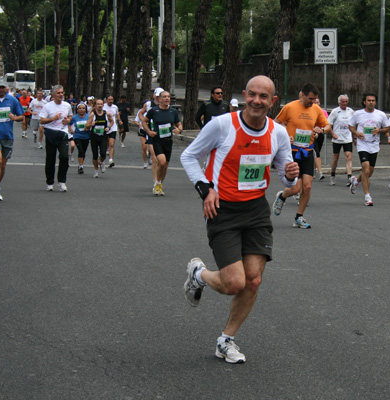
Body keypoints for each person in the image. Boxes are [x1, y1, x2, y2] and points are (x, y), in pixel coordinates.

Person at [180, 75, 299, 364]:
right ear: (244, 94)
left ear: (273, 101)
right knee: (235, 283)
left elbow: (283, 173)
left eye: (264, 97)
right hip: (223, 209)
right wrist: (205, 189)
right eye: (252, 95)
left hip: (256, 210)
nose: (257, 101)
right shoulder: (223, 125)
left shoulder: (278, 133)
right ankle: (199, 274)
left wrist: (290, 174)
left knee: (254, 281)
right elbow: (188, 155)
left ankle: (226, 340)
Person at [272, 83, 331, 228]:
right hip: (292, 152)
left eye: (315, 99)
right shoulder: (290, 107)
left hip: (308, 151)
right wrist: (286, 133)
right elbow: (276, 123)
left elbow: (328, 126)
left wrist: (321, 130)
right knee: (296, 188)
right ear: (303, 95)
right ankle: (282, 196)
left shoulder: (316, 109)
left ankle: (299, 217)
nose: (313, 102)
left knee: (308, 186)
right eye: (311, 99)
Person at [348, 93, 390, 206]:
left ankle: (356, 181)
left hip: (374, 145)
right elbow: (350, 125)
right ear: (364, 102)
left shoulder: (380, 114)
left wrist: (380, 131)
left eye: (373, 100)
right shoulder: (358, 114)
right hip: (362, 144)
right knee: (365, 169)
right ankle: (367, 197)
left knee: (369, 172)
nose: (371, 102)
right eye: (369, 100)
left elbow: (388, 127)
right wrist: (356, 133)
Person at [140, 90, 182, 196]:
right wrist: (149, 132)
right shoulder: (154, 111)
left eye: (168, 97)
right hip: (157, 140)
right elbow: (144, 121)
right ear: (160, 99)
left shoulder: (173, 111)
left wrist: (179, 129)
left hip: (168, 140)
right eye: (165, 97)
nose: (167, 98)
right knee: (161, 162)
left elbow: (179, 124)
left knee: (166, 165)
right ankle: (157, 183)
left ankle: (159, 184)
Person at [39, 85, 73, 192]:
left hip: (63, 133)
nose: (61, 95)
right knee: (50, 159)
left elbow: (71, 116)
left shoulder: (67, 105)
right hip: (51, 133)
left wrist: (68, 121)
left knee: (64, 157)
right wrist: (53, 118)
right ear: (53, 94)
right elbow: (41, 121)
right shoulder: (47, 106)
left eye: (62, 93)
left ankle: (62, 181)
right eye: (58, 93)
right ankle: (50, 182)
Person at [327, 94, 354, 186]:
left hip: (347, 138)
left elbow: (354, 125)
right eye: (343, 102)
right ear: (339, 102)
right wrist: (332, 134)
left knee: (348, 156)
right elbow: (328, 124)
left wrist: (354, 137)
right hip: (337, 139)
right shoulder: (335, 111)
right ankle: (332, 175)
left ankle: (349, 177)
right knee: (335, 158)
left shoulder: (351, 111)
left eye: (346, 101)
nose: (345, 103)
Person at [86, 99, 114, 178]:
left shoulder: (106, 114)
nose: (99, 105)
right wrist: (91, 124)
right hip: (94, 136)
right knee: (95, 155)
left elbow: (112, 121)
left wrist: (108, 127)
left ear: (103, 105)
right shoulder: (92, 114)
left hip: (103, 136)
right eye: (98, 104)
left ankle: (101, 162)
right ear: (95, 105)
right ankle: (96, 171)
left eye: (101, 104)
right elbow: (87, 126)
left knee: (103, 153)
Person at [70, 103, 91, 174]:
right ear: (77, 109)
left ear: (85, 110)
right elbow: (69, 124)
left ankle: (80, 164)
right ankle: (81, 166)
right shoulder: (74, 117)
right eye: (80, 108)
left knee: (83, 152)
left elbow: (92, 124)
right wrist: (71, 130)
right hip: (77, 136)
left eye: (83, 108)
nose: (81, 110)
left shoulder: (88, 117)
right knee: (81, 151)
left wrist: (89, 127)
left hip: (86, 136)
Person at [313, 97, 329, 181]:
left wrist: (321, 131)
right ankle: (320, 172)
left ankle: (314, 169)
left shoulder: (323, 112)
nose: (316, 104)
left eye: (318, 102)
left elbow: (326, 124)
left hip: (320, 133)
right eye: (315, 102)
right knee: (316, 152)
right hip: (312, 133)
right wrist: (314, 132)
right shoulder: (310, 111)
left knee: (317, 151)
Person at [103, 95, 119, 167]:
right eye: (109, 99)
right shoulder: (103, 106)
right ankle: (103, 154)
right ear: (106, 100)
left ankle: (111, 159)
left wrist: (120, 120)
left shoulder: (115, 107)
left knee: (111, 143)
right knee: (105, 143)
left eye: (112, 99)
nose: (110, 101)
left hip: (113, 127)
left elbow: (117, 115)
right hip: (105, 126)